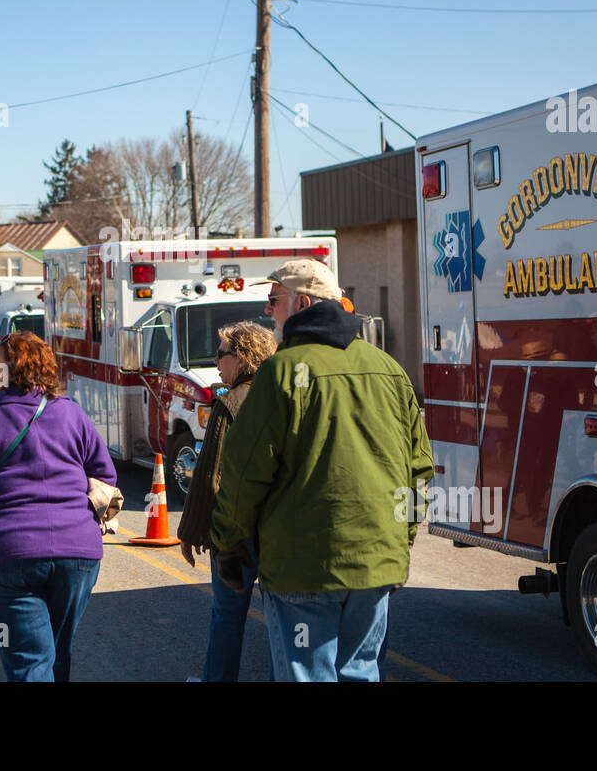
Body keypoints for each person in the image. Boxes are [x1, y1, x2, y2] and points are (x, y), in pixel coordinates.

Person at [211, 259, 434, 682]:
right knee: (361, 673)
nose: (267, 310)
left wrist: (228, 541)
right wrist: (397, 541)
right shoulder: (389, 370)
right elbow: (420, 472)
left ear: (303, 303)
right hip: (375, 566)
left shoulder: (280, 372)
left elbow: (242, 475)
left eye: (274, 300)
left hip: (302, 567)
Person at [0, 331, 117, 682]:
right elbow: (104, 475)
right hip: (77, 556)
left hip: (4, 558)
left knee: (28, 660)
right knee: (54, 654)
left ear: (7, 372)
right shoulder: (72, 414)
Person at [177, 320, 275, 682]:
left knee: (228, 617)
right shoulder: (284, 397)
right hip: (279, 532)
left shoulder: (230, 403)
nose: (216, 362)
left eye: (221, 354)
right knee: (282, 623)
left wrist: (192, 532)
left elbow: (209, 475)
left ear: (242, 357)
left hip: (236, 537)